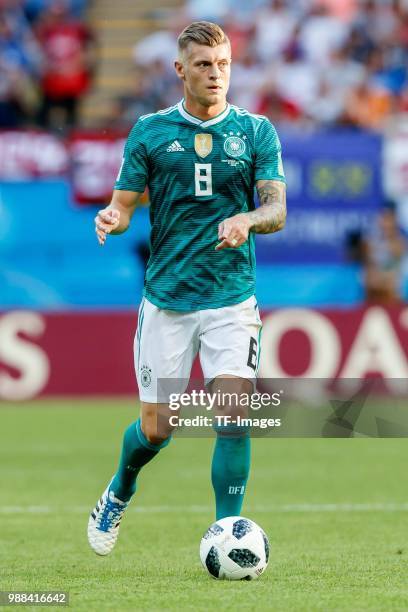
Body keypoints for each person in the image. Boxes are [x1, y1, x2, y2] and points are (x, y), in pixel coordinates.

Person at [87, 21, 286, 556]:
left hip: (231, 298)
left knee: (233, 417)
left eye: (222, 63)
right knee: (158, 429)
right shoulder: (151, 132)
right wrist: (112, 214)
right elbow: (124, 204)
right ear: (180, 70)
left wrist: (248, 219)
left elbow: (276, 208)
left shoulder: (257, 131)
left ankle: (229, 532)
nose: (215, 73)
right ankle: (119, 489)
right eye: (203, 64)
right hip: (168, 300)